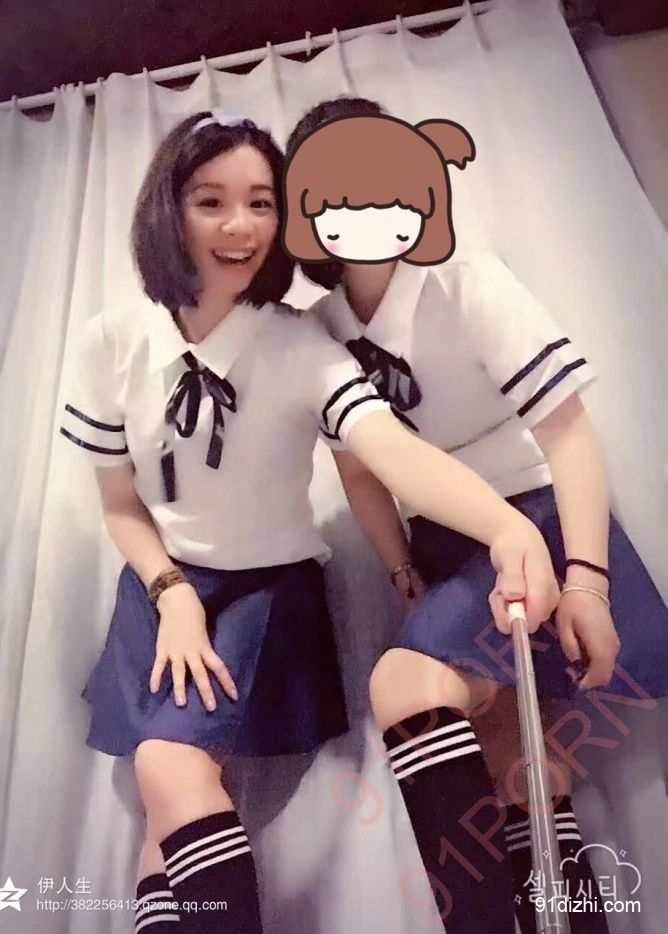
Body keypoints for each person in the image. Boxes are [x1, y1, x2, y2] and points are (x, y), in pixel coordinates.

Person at [59, 109, 560, 934]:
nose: (240, 226)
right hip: (161, 589)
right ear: (165, 209)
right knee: (162, 808)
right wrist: (171, 591)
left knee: (168, 767)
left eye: (262, 203)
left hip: (262, 597)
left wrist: (507, 528)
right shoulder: (110, 342)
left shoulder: (302, 347)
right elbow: (120, 505)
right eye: (211, 201)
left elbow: (390, 453)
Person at [284, 97, 668, 934]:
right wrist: (402, 571)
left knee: (417, 693)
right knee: (516, 762)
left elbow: (569, 434)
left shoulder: (467, 279)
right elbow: (359, 472)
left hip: (540, 513)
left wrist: (588, 581)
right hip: (441, 538)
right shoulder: (316, 330)